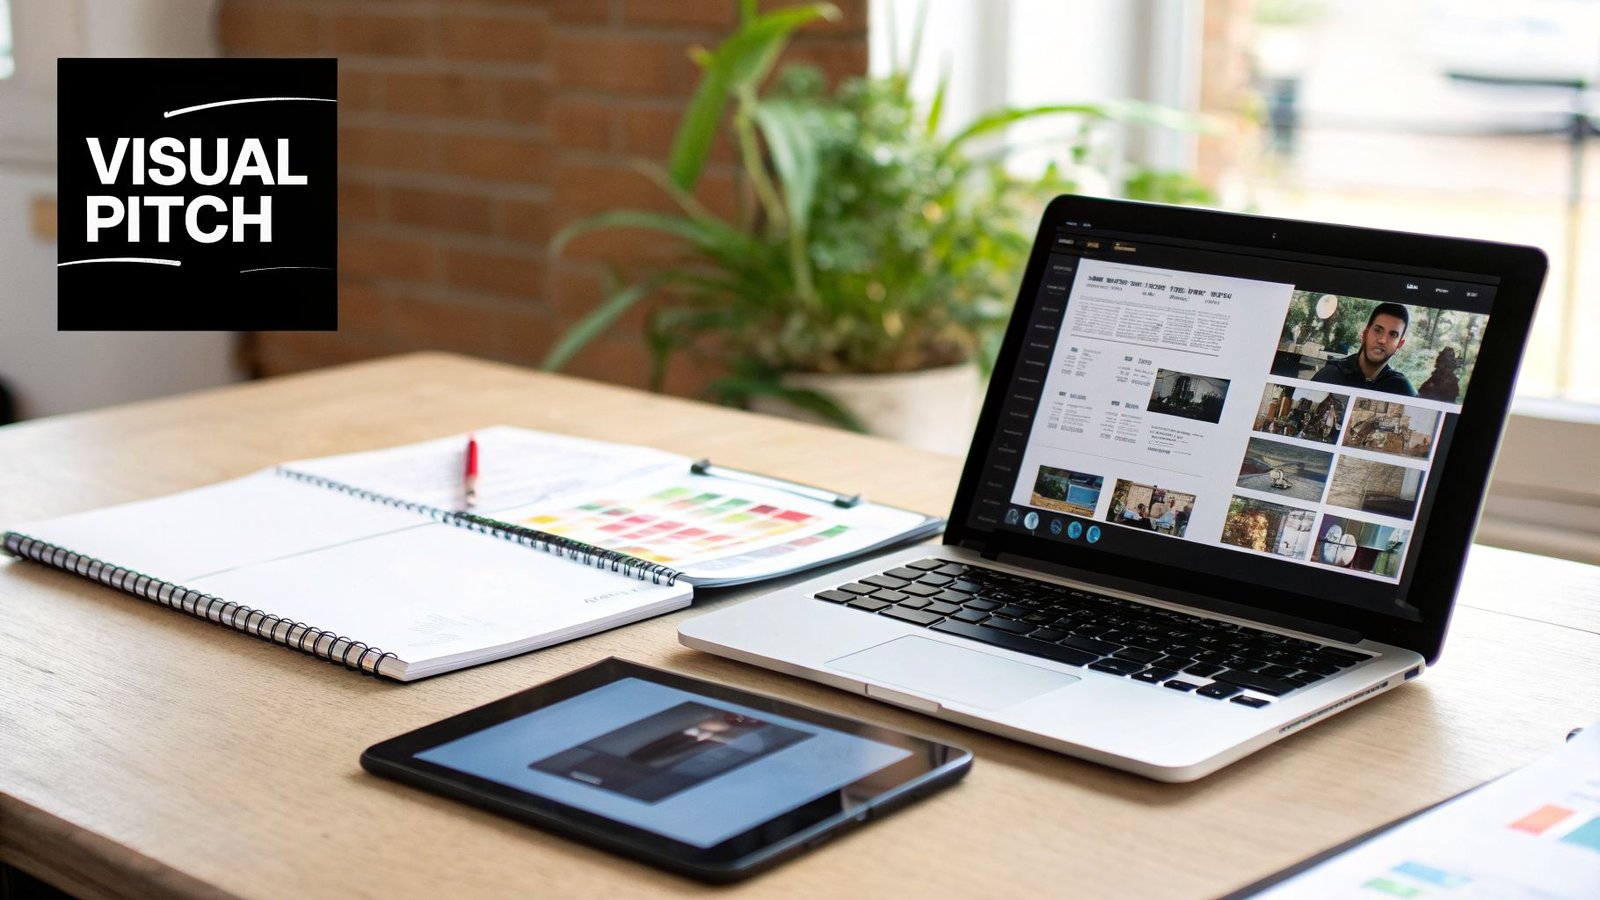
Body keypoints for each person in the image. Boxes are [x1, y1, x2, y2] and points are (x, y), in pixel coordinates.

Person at [1311, 303, 1417, 396]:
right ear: (1365, 335)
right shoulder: (1329, 376)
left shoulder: (1402, 390)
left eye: (1393, 334)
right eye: (1378, 330)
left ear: (1400, 344)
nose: (1383, 340)